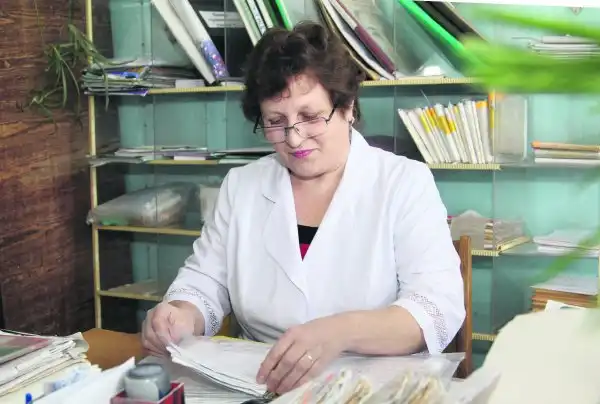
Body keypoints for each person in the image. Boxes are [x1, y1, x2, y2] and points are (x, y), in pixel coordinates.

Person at [141, 21, 465, 395]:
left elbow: (436, 309)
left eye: (310, 117)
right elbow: (205, 283)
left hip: (368, 386)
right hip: (259, 383)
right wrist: (181, 313)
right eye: (276, 122)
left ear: (347, 107)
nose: (294, 139)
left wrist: (341, 331)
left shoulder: (403, 182)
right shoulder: (242, 186)